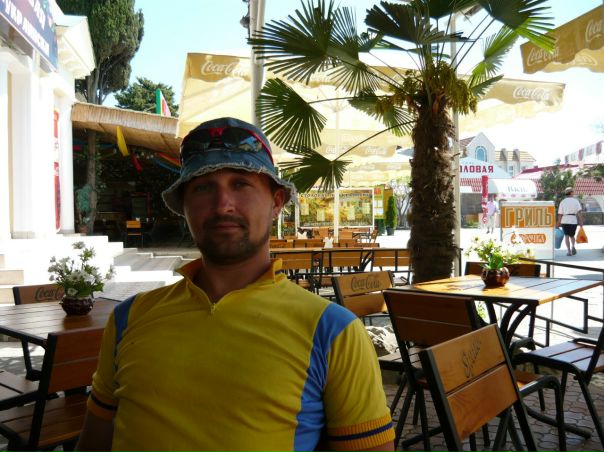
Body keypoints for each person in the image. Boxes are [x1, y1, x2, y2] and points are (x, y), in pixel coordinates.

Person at [76, 117, 394, 452]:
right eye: (203, 187)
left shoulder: (333, 332)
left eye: (241, 184)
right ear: (184, 206)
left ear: (276, 202)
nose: (222, 204)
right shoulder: (129, 318)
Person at [556, 186, 583, 256]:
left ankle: (569, 251)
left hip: (564, 220)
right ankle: (573, 246)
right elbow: (579, 212)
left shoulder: (562, 202)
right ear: (571, 193)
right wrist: (581, 221)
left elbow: (560, 214)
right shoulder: (576, 201)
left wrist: (558, 223)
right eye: (573, 191)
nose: (573, 193)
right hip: (573, 220)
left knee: (566, 236)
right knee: (572, 235)